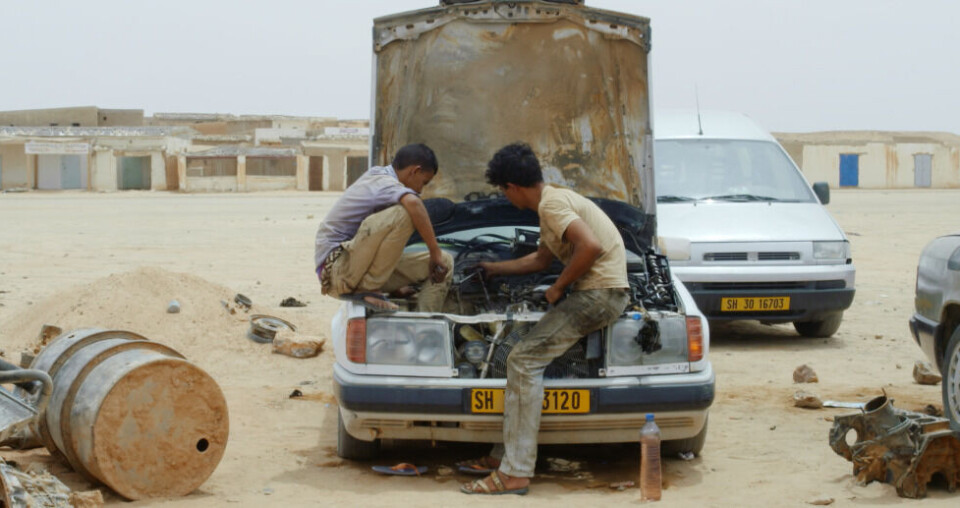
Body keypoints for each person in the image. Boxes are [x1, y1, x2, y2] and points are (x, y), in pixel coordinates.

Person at [459, 142, 630, 496]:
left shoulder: (552, 205)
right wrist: (492, 268)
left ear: (512, 188)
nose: (506, 198)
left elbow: (591, 247)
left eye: (503, 192)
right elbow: (539, 262)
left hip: (599, 294)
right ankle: (502, 455)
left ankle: (516, 473)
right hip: (599, 292)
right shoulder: (552, 203)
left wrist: (558, 288)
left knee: (522, 361)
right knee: (519, 353)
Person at [314, 143, 452, 312]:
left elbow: (381, 246)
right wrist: (434, 251)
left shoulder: (387, 185)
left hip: (357, 269)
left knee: (445, 262)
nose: (421, 190)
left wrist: (396, 288)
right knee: (405, 213)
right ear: (414, 171)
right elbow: (414, 203)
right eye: (423, 183)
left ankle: (424, 326)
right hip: (337, 272)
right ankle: (369, 288)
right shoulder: (381, 180)